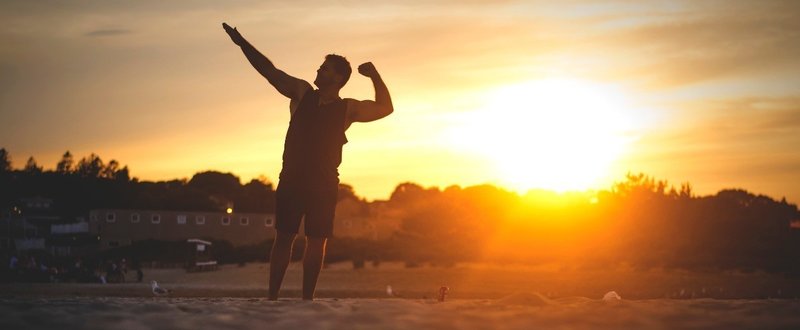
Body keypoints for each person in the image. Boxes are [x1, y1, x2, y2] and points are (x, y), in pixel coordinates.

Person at [223, 22, 393, 301]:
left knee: (317, 242)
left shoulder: (347, 107)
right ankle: (272, 298)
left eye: (324, 68)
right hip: (291, 179)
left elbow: (385, 108)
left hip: (324, 185)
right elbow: (270, 72)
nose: (318, 70)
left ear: (338, 78)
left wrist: (374, 75)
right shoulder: (302, 93)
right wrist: (242, 42)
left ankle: (307, 301)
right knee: (284, 238)